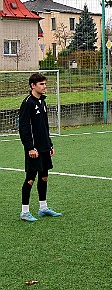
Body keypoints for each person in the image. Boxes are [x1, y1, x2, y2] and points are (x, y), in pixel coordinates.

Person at [18, 73, 62, 222]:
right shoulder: (28, 103)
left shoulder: (42, 102)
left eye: (45, 84)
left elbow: (44, 126)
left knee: (44, 177)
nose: (44, 87)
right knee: (30, 179)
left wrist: (50, 144)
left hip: (44, 147)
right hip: (34, 149)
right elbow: (24, 128)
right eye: (41, 84)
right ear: (33, 86)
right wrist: (30, 147)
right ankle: (24, 212)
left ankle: (43, 208)